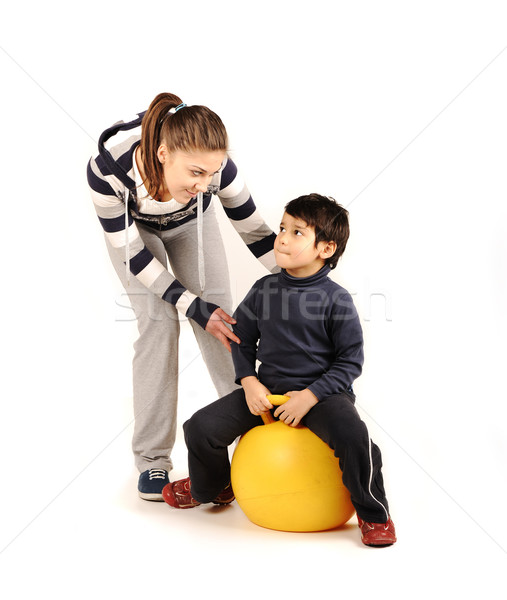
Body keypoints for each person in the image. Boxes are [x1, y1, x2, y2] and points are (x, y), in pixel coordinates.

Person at [162, 193, 397, 547]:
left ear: (327, 249)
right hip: (266, 391)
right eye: (282, 228)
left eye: (297, 232)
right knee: (200, 428)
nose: (282, 238)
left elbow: (350, 361)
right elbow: (242, 338)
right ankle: (211, 487)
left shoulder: (336, 299)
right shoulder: (264, 289)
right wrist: (250, 382)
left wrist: (310, 396)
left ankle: (374, 514)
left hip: (322, 396)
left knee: (355, 438)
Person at [87, 93, 278, 500]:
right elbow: (135, 258)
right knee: (159, 324)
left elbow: (257, 233)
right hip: (137, 235)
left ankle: (252, 439)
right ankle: (153, 461)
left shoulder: (214, 169)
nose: (204, 182)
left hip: (191, 221)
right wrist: (192, 306)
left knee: (221, 322)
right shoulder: (107, 169)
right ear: (161, 153)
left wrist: (305, 280)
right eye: (195, 172)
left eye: (211, 173)